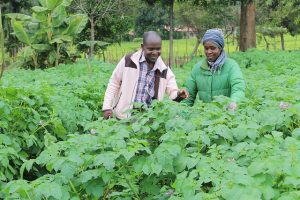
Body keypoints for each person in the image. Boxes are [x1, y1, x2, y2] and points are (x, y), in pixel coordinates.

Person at [102, 31, 189, 119]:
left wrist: (178, 94)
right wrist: (106, 107)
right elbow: (114, 83)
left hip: (148, 119)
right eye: (150, 49)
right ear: (143, 47)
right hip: (124, 116)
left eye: (158, 49)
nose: (155, 52)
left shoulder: (164, 69)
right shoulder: (129, 60)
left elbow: (172, 92)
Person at [182, 29, 245, 110]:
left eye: (212, 48)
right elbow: (188, 97)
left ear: (220, 48)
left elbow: (238, 88)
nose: (209, 52)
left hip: (227, 116)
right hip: (204, 119)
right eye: (206, 48)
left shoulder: (231, 66)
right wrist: (180, 113)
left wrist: (234, 102)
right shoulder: (198, 68)